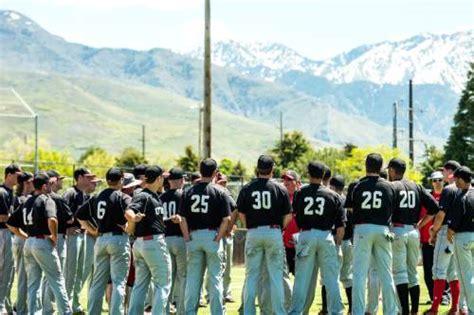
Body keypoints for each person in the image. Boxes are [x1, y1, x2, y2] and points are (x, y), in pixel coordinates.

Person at [7, 172, 72, 314]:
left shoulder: (27, 201)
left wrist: (25, 237)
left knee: (33, 284)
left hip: (29, 243)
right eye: (49, 184)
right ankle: (66, 312)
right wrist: (54, 236)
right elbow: (52, 220)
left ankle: (33, 312)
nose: (51, 186)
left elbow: (11, 224)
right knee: (57, 280)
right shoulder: (46, 199)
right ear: (44, 186)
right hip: (42, 242)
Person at [237, 155, 292, 315]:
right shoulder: (280, 188)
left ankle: (248, 312)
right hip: (273, 232)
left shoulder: (248, 187)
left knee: (251, 276)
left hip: (254, 232)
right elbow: (288, 215)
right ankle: (280, 312)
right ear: (272, 169)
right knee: (276, 277)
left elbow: (240, 212)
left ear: (257, 168)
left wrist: (249, 226)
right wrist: (279, 229)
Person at [344, 153, 399, 315]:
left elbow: (350, 209)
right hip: (383, 229)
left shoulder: (357, 185)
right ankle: (391, 311)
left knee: (359, 274)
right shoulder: (389, 186)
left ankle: (358, 311)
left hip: (362, 228)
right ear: (381, 167)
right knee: (386, 273)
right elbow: (393, 209)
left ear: (365, 165)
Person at [289, 161, 345, 315]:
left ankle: (296, 311)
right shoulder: (333, 195)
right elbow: (340, 226)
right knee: (331, 279)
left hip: (306, 235)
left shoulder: (300, 193)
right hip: (326, 236)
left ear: (308, 174)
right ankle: (336, 311)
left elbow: (295, 217)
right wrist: (337, 245)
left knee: (301, 279)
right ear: (324, 175)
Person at [387, 158, 439, 315]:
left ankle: (404, 310)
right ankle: (414, 311)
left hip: (398, 230)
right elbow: (434, 208)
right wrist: (420, 224)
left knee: (400, 273)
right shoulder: (416, 186)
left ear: (391, 170)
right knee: (413, 273)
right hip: (413, 232)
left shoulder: (391, 186)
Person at [76, 167, 131, 315]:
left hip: (100, 240)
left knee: (98, 281)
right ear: (120, 180)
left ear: (107, 180)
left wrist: (93, 230)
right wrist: (130, 227)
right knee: (119, 281)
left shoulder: (97, 196)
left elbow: (80, 216)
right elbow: (132, 216)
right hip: (118, 239)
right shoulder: (122, 196)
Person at [180, 159, 232, 315]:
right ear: (215, 172)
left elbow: (182, 218)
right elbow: (226, 219)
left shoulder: (188, 191)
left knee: (193, 280)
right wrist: (217, 238)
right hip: (212, 236)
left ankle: (190, 312)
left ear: (199, 170)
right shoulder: (220, 192)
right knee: (215, 279)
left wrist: (187, 238)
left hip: (194, 236)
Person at [125, 165, 173, 315]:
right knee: (163, 283)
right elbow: (128, 211)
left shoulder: (152, 196)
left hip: (142, 244)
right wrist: (134, 218)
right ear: (158, 178)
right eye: (163, 177)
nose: (164, 180)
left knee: (140, 284)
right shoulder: (144, 196)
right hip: (152, 242)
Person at [425, 160, 463, 315]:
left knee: (439, 271)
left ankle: (434, 309)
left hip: (445, 231)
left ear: (450, 172)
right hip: (460, 233)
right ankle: (455, 307)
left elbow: (440, 215)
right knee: (453, 273)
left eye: (445, 171)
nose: (443, 174)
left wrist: (433, 231)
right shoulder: (466, 188)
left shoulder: (449, 189)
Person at [63, 167, 99, 314]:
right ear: (79, 177)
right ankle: (66, 305)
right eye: (87, 177)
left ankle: (75, 304)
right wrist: (65, 229)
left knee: (79, 272)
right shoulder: (70, 193)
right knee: (70, 272)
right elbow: (60, 213)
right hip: (72, 236)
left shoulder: (83, 195)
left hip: (82, 235)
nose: (90, 180)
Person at [43, 170, 74, 315]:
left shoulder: (38, 198)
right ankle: (49, 308)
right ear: (52, 181)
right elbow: (70, 219)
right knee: (56, 273)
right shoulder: (57, 198)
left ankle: (45, 307)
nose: (61, 181)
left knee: (45, 275)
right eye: (59, 179)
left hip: (39, 237)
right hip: (58, 236)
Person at [160, 167, 187, 314]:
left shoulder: (161, 197)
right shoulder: (184, 195)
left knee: (167, 277)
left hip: (164, 240)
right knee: (183, 276)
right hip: (180, 239)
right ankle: (181, 310)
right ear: (181, 180)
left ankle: (164, 308)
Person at [447, 166, 473, 313]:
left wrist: (449, 233)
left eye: (456, 179)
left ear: (462, 179)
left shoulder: (461, 196)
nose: (455, 182)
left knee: (466, 278)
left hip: (463, 238)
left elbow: (452, 226)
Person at [419, 171, 447, 304]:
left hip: (443, 239)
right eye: (434, 180)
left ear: (444, 181)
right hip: (426, 240)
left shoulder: (448, 196)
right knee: (428, 271)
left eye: (440, 180)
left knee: (444, 270)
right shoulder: (426, 198)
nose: (437, 182)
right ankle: (433, 297)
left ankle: (444, 297)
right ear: (431, 182)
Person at [0, 163, 22, 314]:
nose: (19, 178)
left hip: (9, 233)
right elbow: (2, 216)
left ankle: (5, 305)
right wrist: (15, 219)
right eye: (17, 175)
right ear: (9, 175)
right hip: (2, 233)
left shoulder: (11, 193)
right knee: (5, 271)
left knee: (9, 272)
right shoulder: (2, 192)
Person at [11, 171, 34, 315]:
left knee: (27, 276)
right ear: (26, 183)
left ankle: (20, 306)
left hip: (23, 238)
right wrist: (23, 236)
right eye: (31, 181)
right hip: (21, 238)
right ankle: (20, 309)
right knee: (23, 277)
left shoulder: (25, 198)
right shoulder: (19, 199)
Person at [330, 175, 353, 314]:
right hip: (348, 241)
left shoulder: (331, 199)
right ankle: (351, 307)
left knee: (330, 276)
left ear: (332, 186)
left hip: (335, 240)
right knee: (347, 276)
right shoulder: (348, 200)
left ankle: (327, 308)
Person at [216, 172, 237, 304]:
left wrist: (230, 227)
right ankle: (212, 293)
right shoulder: (212, 193)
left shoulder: (227, 195)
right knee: (216, 267)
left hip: (226, 234)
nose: (223, 185)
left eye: (224, 182)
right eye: (220, 182)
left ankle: (226, 292)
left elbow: (235, 210)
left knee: (227, 265)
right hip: (215, 234)